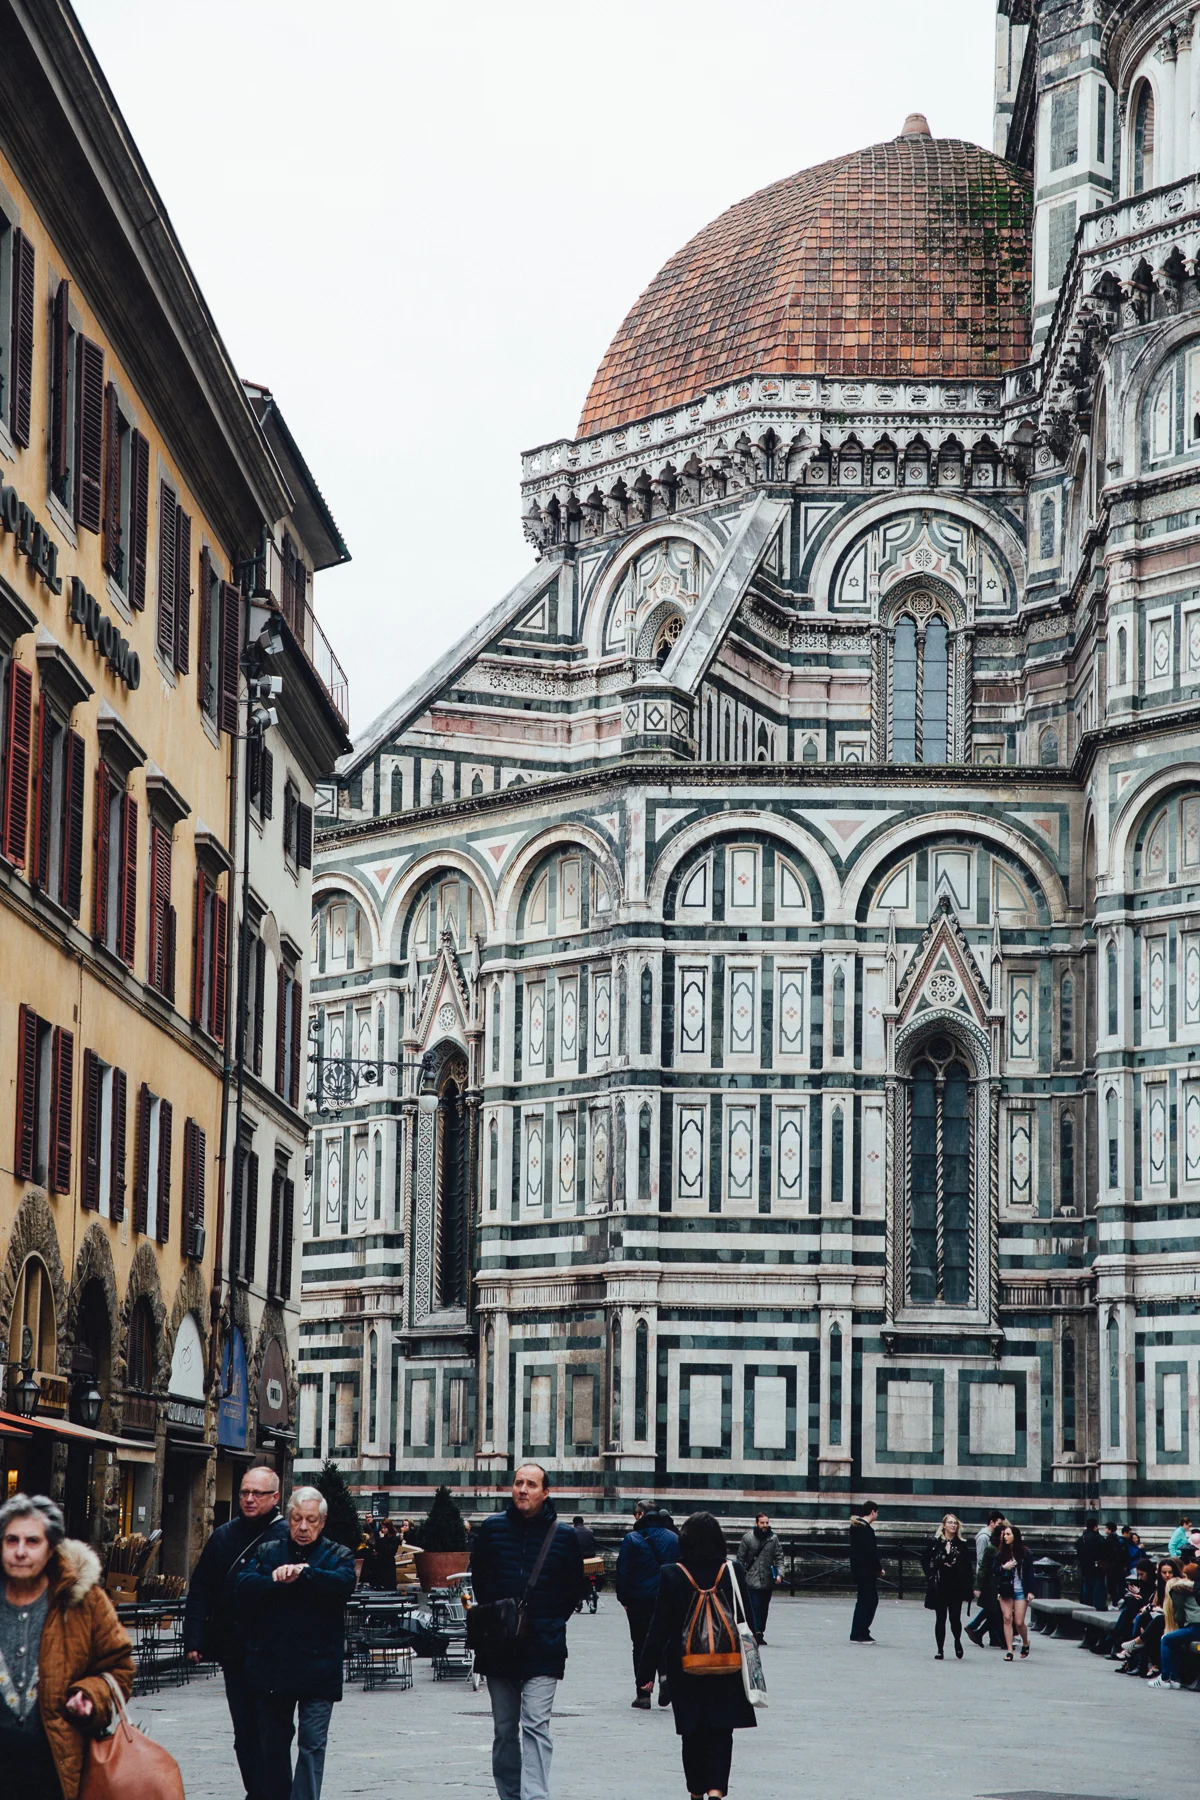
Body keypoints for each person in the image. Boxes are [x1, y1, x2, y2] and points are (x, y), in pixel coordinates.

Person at [0, 1492, 134, 1800]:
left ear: (50, 1550)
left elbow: (120, 1668)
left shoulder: (82, 1599)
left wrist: (91, 1695)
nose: (20, 1551)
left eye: (32, 1541)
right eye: (11, 1540)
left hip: (58, 1767)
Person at [469, 1463, 585, 1800]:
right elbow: (481, 1581)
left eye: (531, 1484)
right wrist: (501, 1619)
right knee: (505, 1730)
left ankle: (535, 1796)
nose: (523, 1489)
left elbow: (572, 1591)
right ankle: (510, 1795)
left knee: (535, 1724)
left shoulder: (563, 1536)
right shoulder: (492, 1529)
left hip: (543, 1646)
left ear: (545, 1493)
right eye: (518, 1482)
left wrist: (546, 1622)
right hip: (499, 1646)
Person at [238, 1486, 356, 1800]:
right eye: (297, 1519)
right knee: (273, 1745)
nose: (303, 1527)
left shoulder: (338, 1554)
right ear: (289, 1518)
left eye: (311, 1521)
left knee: (312, 1744)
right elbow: (243, 1585)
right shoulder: (268, 1551)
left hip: (319, 1668)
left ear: (323, 1522)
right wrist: (276, 1580)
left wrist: (306, 1574)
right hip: (275, 1668)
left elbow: (344, 1584)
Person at [184, 1458, 289, 1798]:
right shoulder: (223, 1537)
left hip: (276, 1654)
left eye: (258, 1493)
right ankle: (256, 1791)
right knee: (244, 1730)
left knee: (273, 1730)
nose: (249, 1499)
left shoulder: (288, 1537)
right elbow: (200, 1590)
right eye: (245, 1492)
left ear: (275, 1497)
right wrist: (195, 1638)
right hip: (235, 1650)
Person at [635, 1512, 757, 1800]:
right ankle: (716, 1790)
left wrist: (645, 1674)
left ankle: (696, 1793)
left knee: (692, 1734)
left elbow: (658, 1629)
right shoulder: (733, 1569)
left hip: (685, 1668)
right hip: (727, 1666)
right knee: (721, 1733)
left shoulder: (672, 1573)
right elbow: (747, 1620)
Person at [616, 1498, 678, 1708]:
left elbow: (623, 1572)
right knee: (664, 1641)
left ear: (641, 1515)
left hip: (639, 1600)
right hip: (667, 1599)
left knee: (640, 1645)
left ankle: (643, 1693)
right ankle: (665, 1677)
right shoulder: (673, 1538)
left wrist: (623, 1598)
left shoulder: (632, 1538)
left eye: (636, 1513)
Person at [922, 1514, 974, 1660]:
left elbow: (968, 1567)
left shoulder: (962, 1544)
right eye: (950, 1523)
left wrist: (968, 1586)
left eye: (955, 1523)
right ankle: (940, 1649)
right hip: (940, 1585)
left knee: (955, 1618)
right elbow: (924, 1559)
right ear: (944, 1525)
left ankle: (957, 1641)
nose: (953, 1525)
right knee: (940, 1618)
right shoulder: (936, 1543)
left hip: (956, 1585)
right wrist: (930, 1575)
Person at [1150, 1561, 1200, 1688]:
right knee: (1175, 1641)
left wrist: (1180, 1625)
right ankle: (1175, 1679)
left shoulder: (1179, 1588)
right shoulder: (1196, 1587)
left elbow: (1179, 1613)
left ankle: (1165, 1678)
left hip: (1195, 1627)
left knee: (1166, 1639)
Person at [991, 1524, 1036, 1661]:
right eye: (1004, 1534)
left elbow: (1030, 1573)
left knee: (1019, 1622)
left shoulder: (1025, 1553)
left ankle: (1026, 1642)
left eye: (1008, 1534)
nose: (1005, 1537)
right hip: (1006, 1590)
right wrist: (1004, 1567)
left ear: (1015, 1536)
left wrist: (1031, 1591)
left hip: (1021, 1591)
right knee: (1007, 1618)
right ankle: (1009, 1650)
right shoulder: (1001, 1553)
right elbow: (994, 1570)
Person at [737, 1513, 782, 1645]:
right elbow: (740, 1559)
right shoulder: (747, 1538)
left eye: (767, 1523)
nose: (765, 1525)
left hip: (768, 1580)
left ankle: (760, 1631)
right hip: (751, 1580)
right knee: (754, 1607)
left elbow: (779, 1557)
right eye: (762, 1523)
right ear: (756, 1523)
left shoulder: (773, 1539)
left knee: (764, 1608)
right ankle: (755, 1632)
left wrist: (780, 1574)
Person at [965, 1512, 1005, 1647]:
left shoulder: (994, 1539)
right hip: (988, 1579)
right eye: (999, 1524)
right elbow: (982, 1561)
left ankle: (990, 1635)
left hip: (991, 1579)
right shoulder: (984, 1538)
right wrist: (979, 1585)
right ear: (992, 1523)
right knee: (993, 1608)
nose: (1002, 1527)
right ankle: (976, 1628)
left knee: (992, 1609)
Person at [849, 1502, 882, 1644]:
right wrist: (879, 1569)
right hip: (867, 1572)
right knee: (870, 1601)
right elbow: (871, 1553)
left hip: (859, 1570)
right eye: (877, 1512)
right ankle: (861, 1632)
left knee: (863, 1601)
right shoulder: (867, 1530)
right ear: (873, 1512)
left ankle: (858, 1631)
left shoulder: (855, 1527)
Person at [1075, 1516, 1107, 1612]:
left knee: (1086, 1587)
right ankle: (1099, 1606)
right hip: (1097, 1566)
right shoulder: (1098, 1538)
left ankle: (1086, 1604)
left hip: (1085, 1566)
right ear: (1095, 1527)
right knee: (1098, 1587)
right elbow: (1105, 1551)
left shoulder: (1081, 1539)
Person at [360, 1519, 399, 1590]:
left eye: (385, 1528)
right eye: (382, 1528)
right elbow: (378, 1548)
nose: (383, 1530)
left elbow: (389, 1551)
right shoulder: (381, 1538)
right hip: (380, 1563)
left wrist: (382, 1540)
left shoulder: (395, 1539)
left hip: (388, 1564)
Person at [1102, 1523, 1127, 1605]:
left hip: (1111, 1565)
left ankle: (1114, 1600)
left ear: (1109, 1529)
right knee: (1116, 1582)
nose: (1105, 1529)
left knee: (1111, 1583)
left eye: (1106, 1528)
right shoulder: (1117, 1538)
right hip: (1117, 1564)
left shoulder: (1109, 1539)